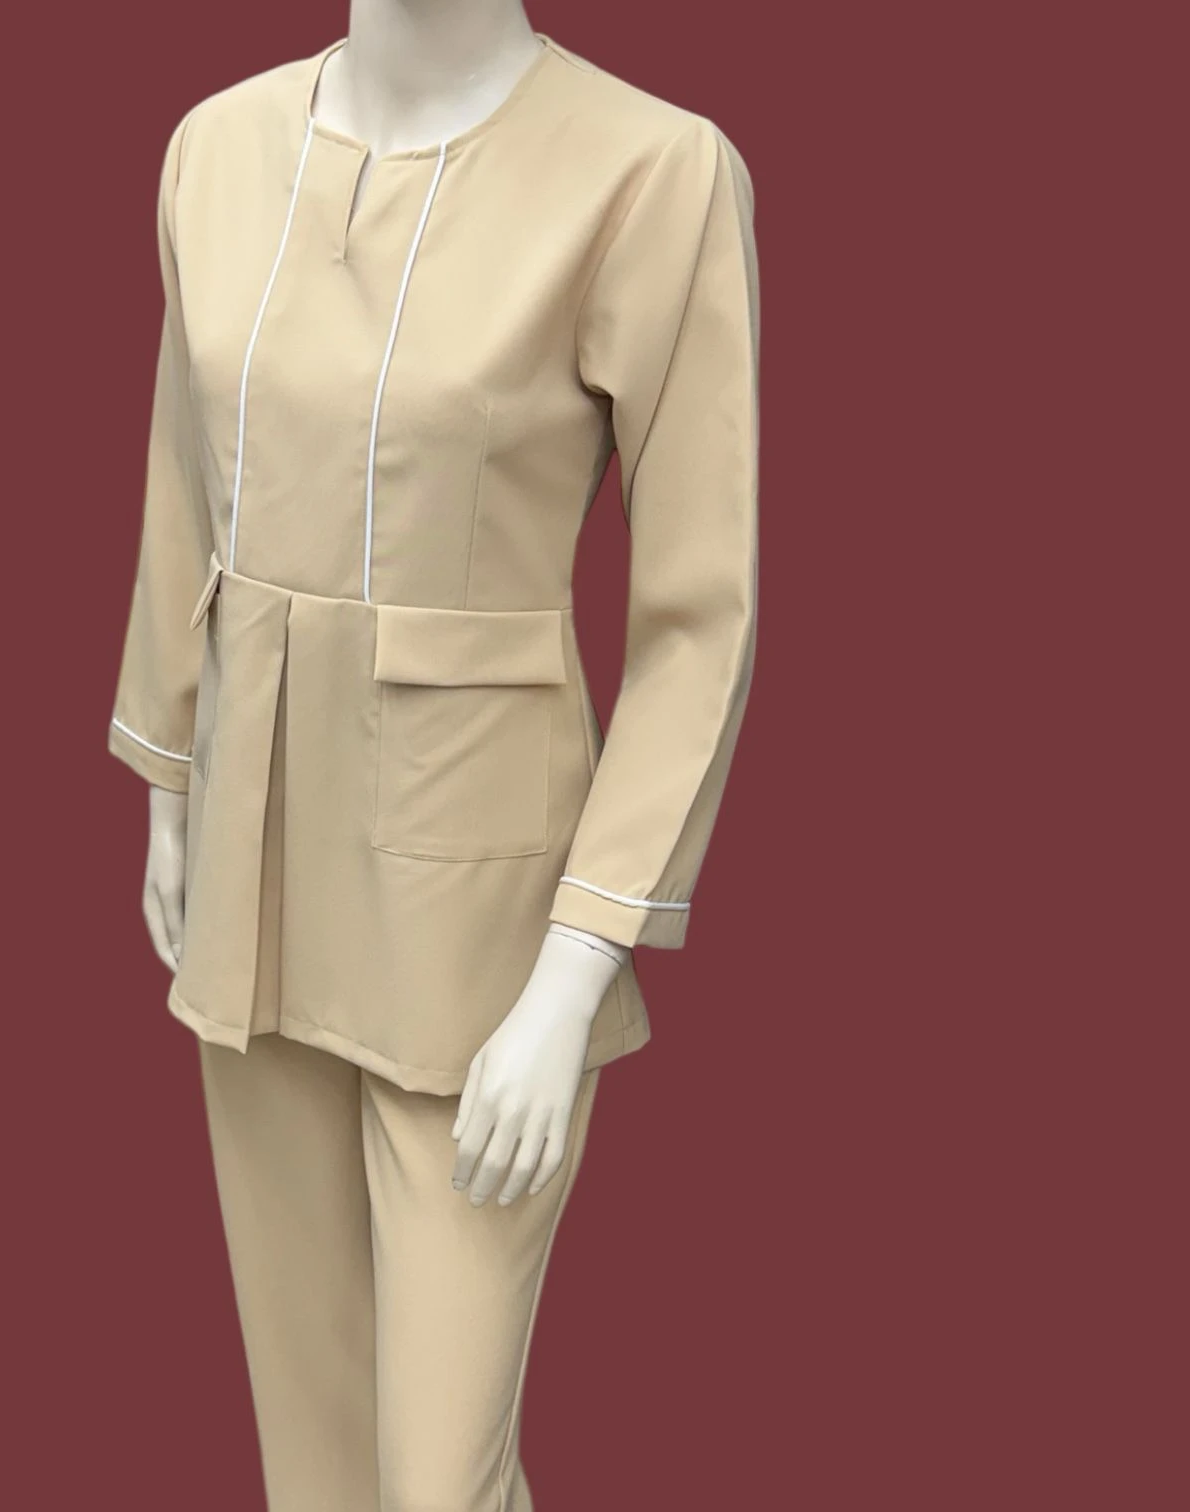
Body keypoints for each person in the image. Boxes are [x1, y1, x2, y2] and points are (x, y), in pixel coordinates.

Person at [105, 8, 760, 1508]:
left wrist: (579, 963)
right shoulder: (214, 150)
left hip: (477, 920)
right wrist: (168, 783)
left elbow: (695, 622)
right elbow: (182, 483)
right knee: (315, 1462)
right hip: (248, 871)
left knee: (438, 1483)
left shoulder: (652, 174)